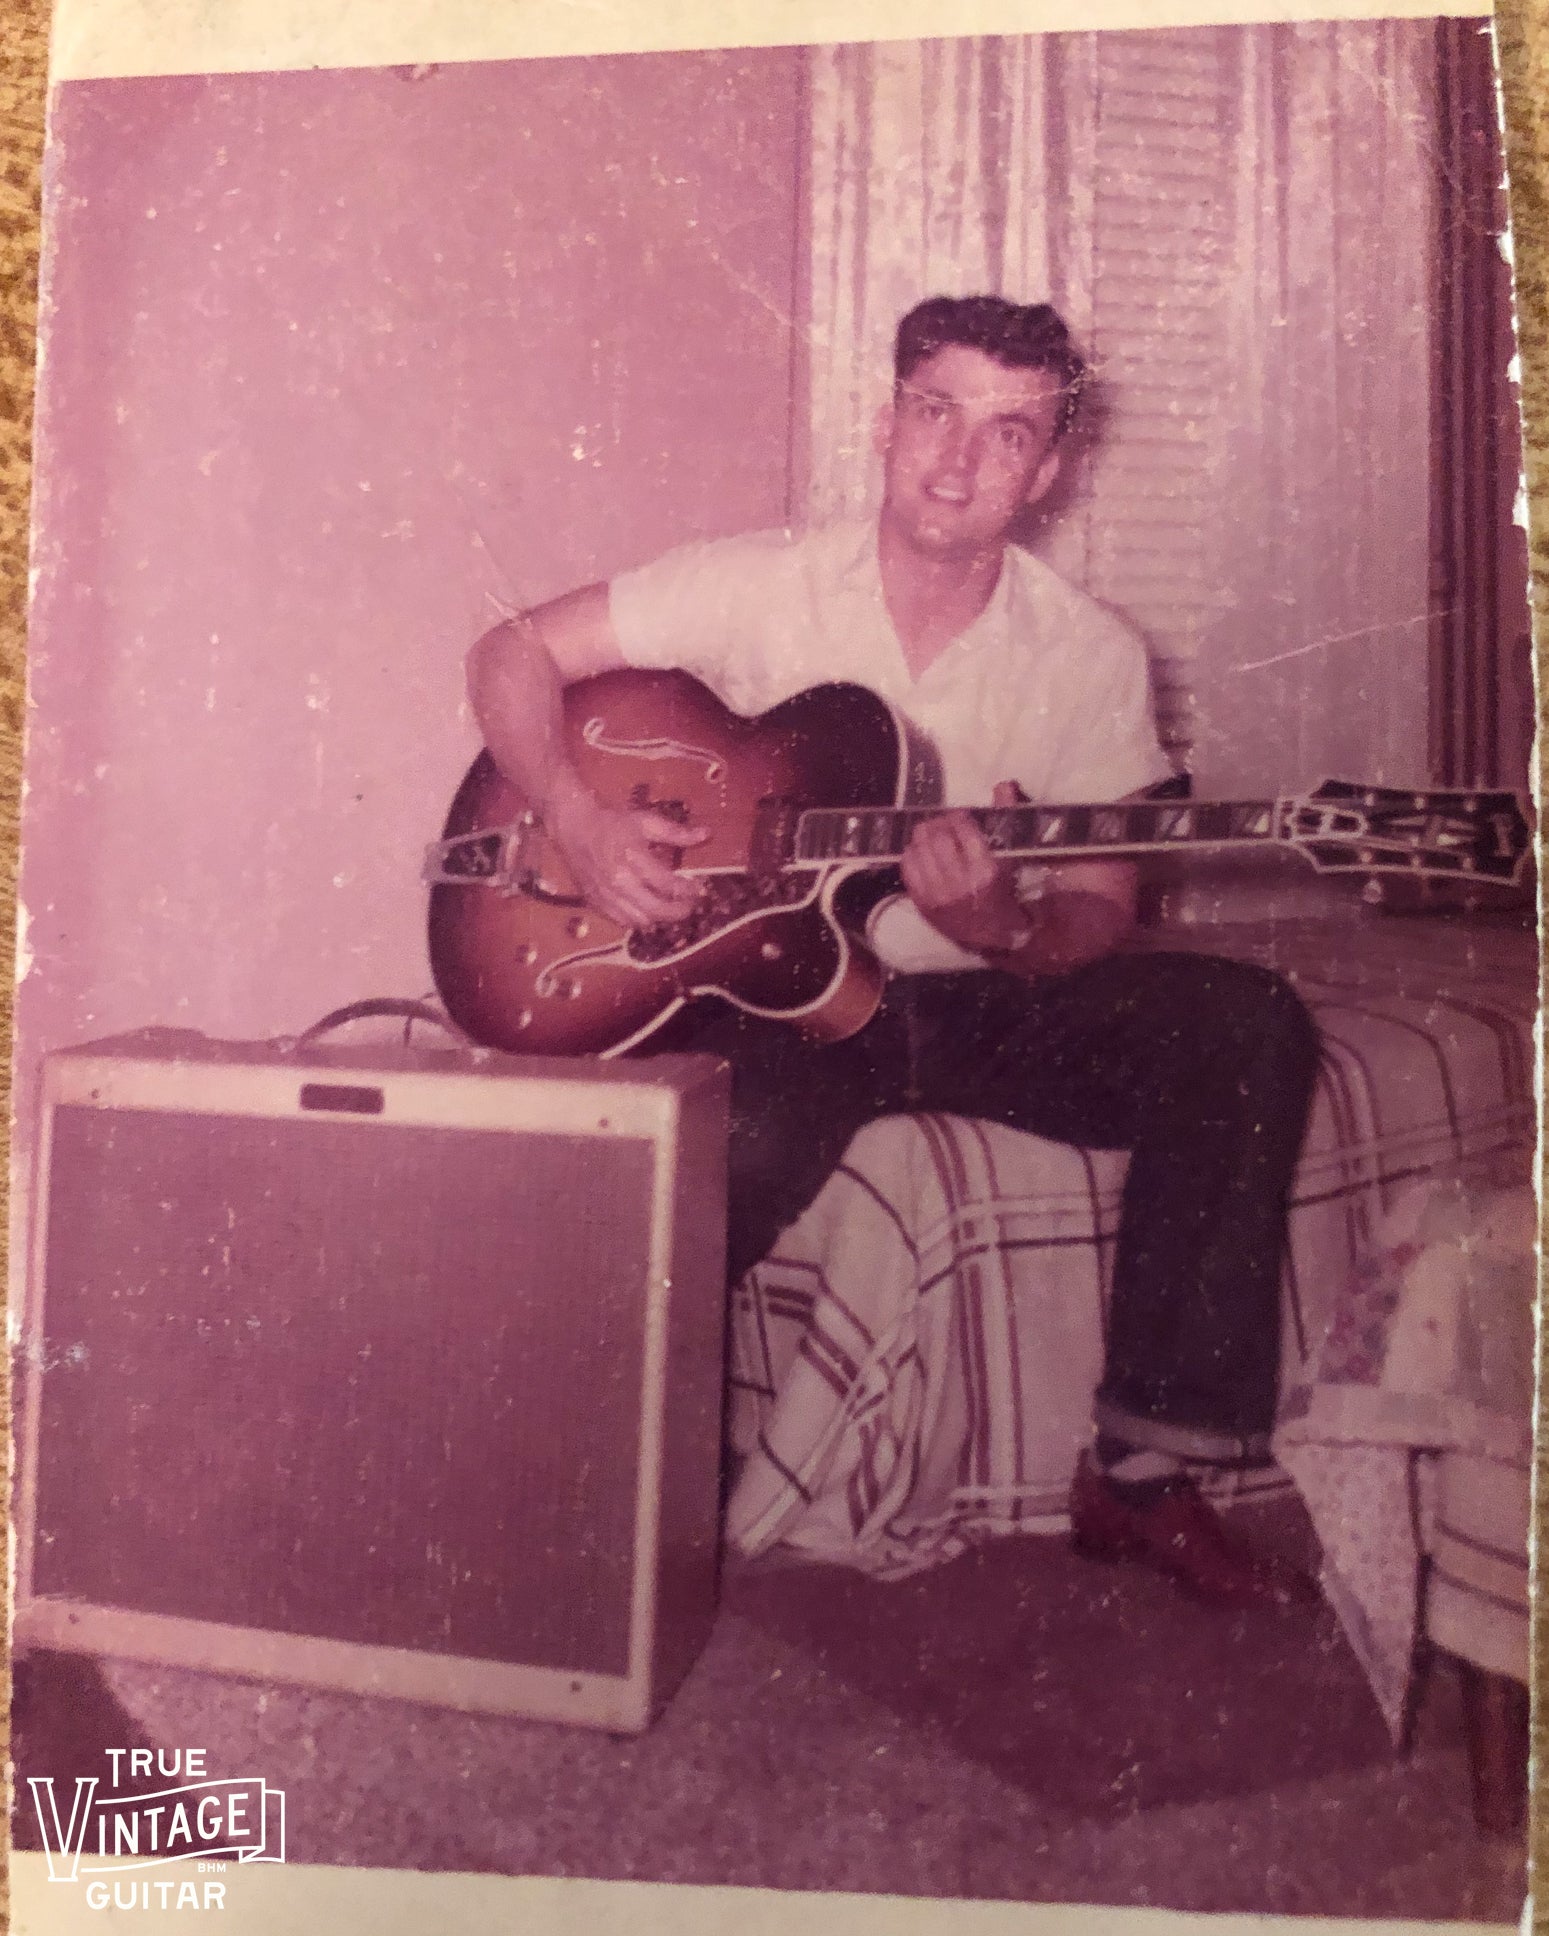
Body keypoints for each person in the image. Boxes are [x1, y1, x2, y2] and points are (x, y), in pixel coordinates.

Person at [466, 294, 1322, 1609]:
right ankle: (581, 1481)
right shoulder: (759, 581)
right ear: (887, 421)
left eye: (1007, 433)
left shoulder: (1088, 653)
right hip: (782, 1005)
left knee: (1244, 1021)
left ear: (1049, 470)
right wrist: (578, 819)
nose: (958, 460)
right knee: (724, 1145)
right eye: (936, 411)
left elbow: (1097, 907)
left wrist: (1008, 927)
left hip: (972, 1001)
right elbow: (511, 650)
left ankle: (1141, 1474)